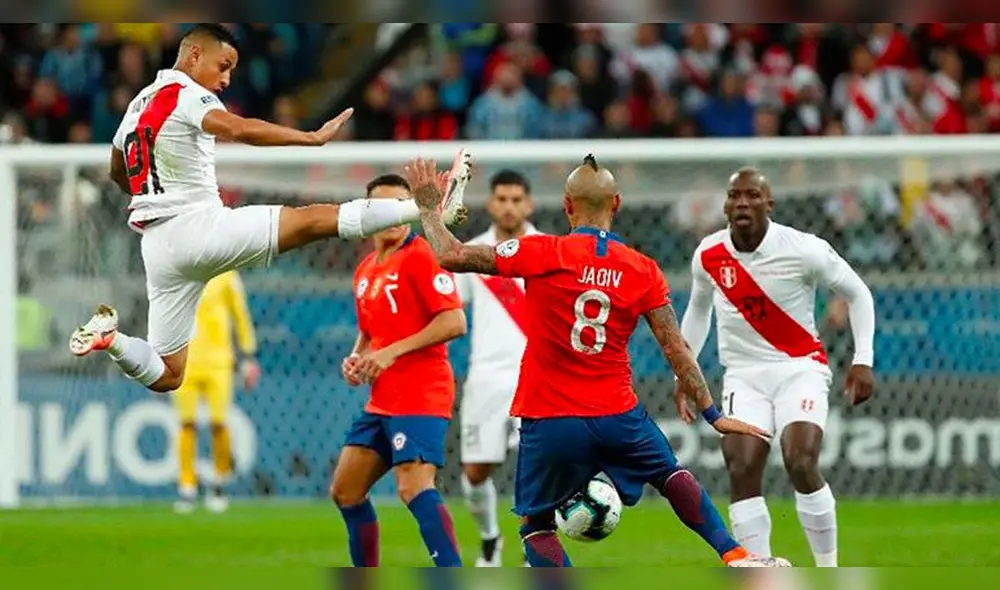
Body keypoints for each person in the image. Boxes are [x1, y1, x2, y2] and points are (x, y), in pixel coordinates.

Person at [406, 154, 790, 568]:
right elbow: (675, 347)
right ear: (617, 204)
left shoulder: (542, 252)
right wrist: (713, 413)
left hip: (549, 416)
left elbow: (450, 254)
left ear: (567, 206)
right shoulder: (642, 269)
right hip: (616, 413)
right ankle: (734, 554)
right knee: (671, 475)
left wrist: (429, 208)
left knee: (536, 525)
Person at [67, 24, 467, 392]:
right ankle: (427, 209)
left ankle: (113, 340)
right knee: (314, 220)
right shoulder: (186, 94)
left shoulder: (137, 104)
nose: (225, 79)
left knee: (169, 374)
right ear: (192, 55)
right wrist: (310, 138)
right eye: (222, 66)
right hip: (199, 228)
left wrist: (153, 190)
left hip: (158, 247)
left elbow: (119, 171)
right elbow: (238, 129)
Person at [679, 167, 876, 567]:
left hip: (799, 369)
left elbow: (858, 294)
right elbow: (697, 311)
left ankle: (827, 570)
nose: (743, 203)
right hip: (743, 376)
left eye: (752, 196)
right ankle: (761, 573)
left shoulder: (804, 249)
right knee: (741, 464)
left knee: (800, 459)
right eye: (735, 196)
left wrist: (862, 360)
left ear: (769, 204)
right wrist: (686, 372)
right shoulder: (709, 254)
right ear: (725, 205)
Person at [329, 174, 468, 568]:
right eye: (383, 208)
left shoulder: (421, 255)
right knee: (346, 490)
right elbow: (372, 332)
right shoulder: (366, 270)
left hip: (422, 394)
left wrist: (389, 353)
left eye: (401, 206)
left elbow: (455, 321)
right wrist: (357, 357)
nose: (393, 216)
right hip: (382, 400)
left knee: (412, 488)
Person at [454, 169, 538, 567]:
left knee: (537, 466)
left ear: (529, 204)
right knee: (474, 471)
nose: (509, 206)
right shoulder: (471, 252)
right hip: (486, 376)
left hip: (537, 377)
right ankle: (490, 538)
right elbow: (449, 309)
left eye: (516, 199)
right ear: (490, 204)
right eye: (502, 199)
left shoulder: (548, 249)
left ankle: (534, 547)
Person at [173, 270, 260, 515]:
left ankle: (219, 483)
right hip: (185, 362)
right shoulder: (181, 271)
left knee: (219, 423)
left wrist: (248, 355)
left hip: (219, 362)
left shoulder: (227, 275)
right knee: (186, 424)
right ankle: (187, 487)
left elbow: (240, 314)